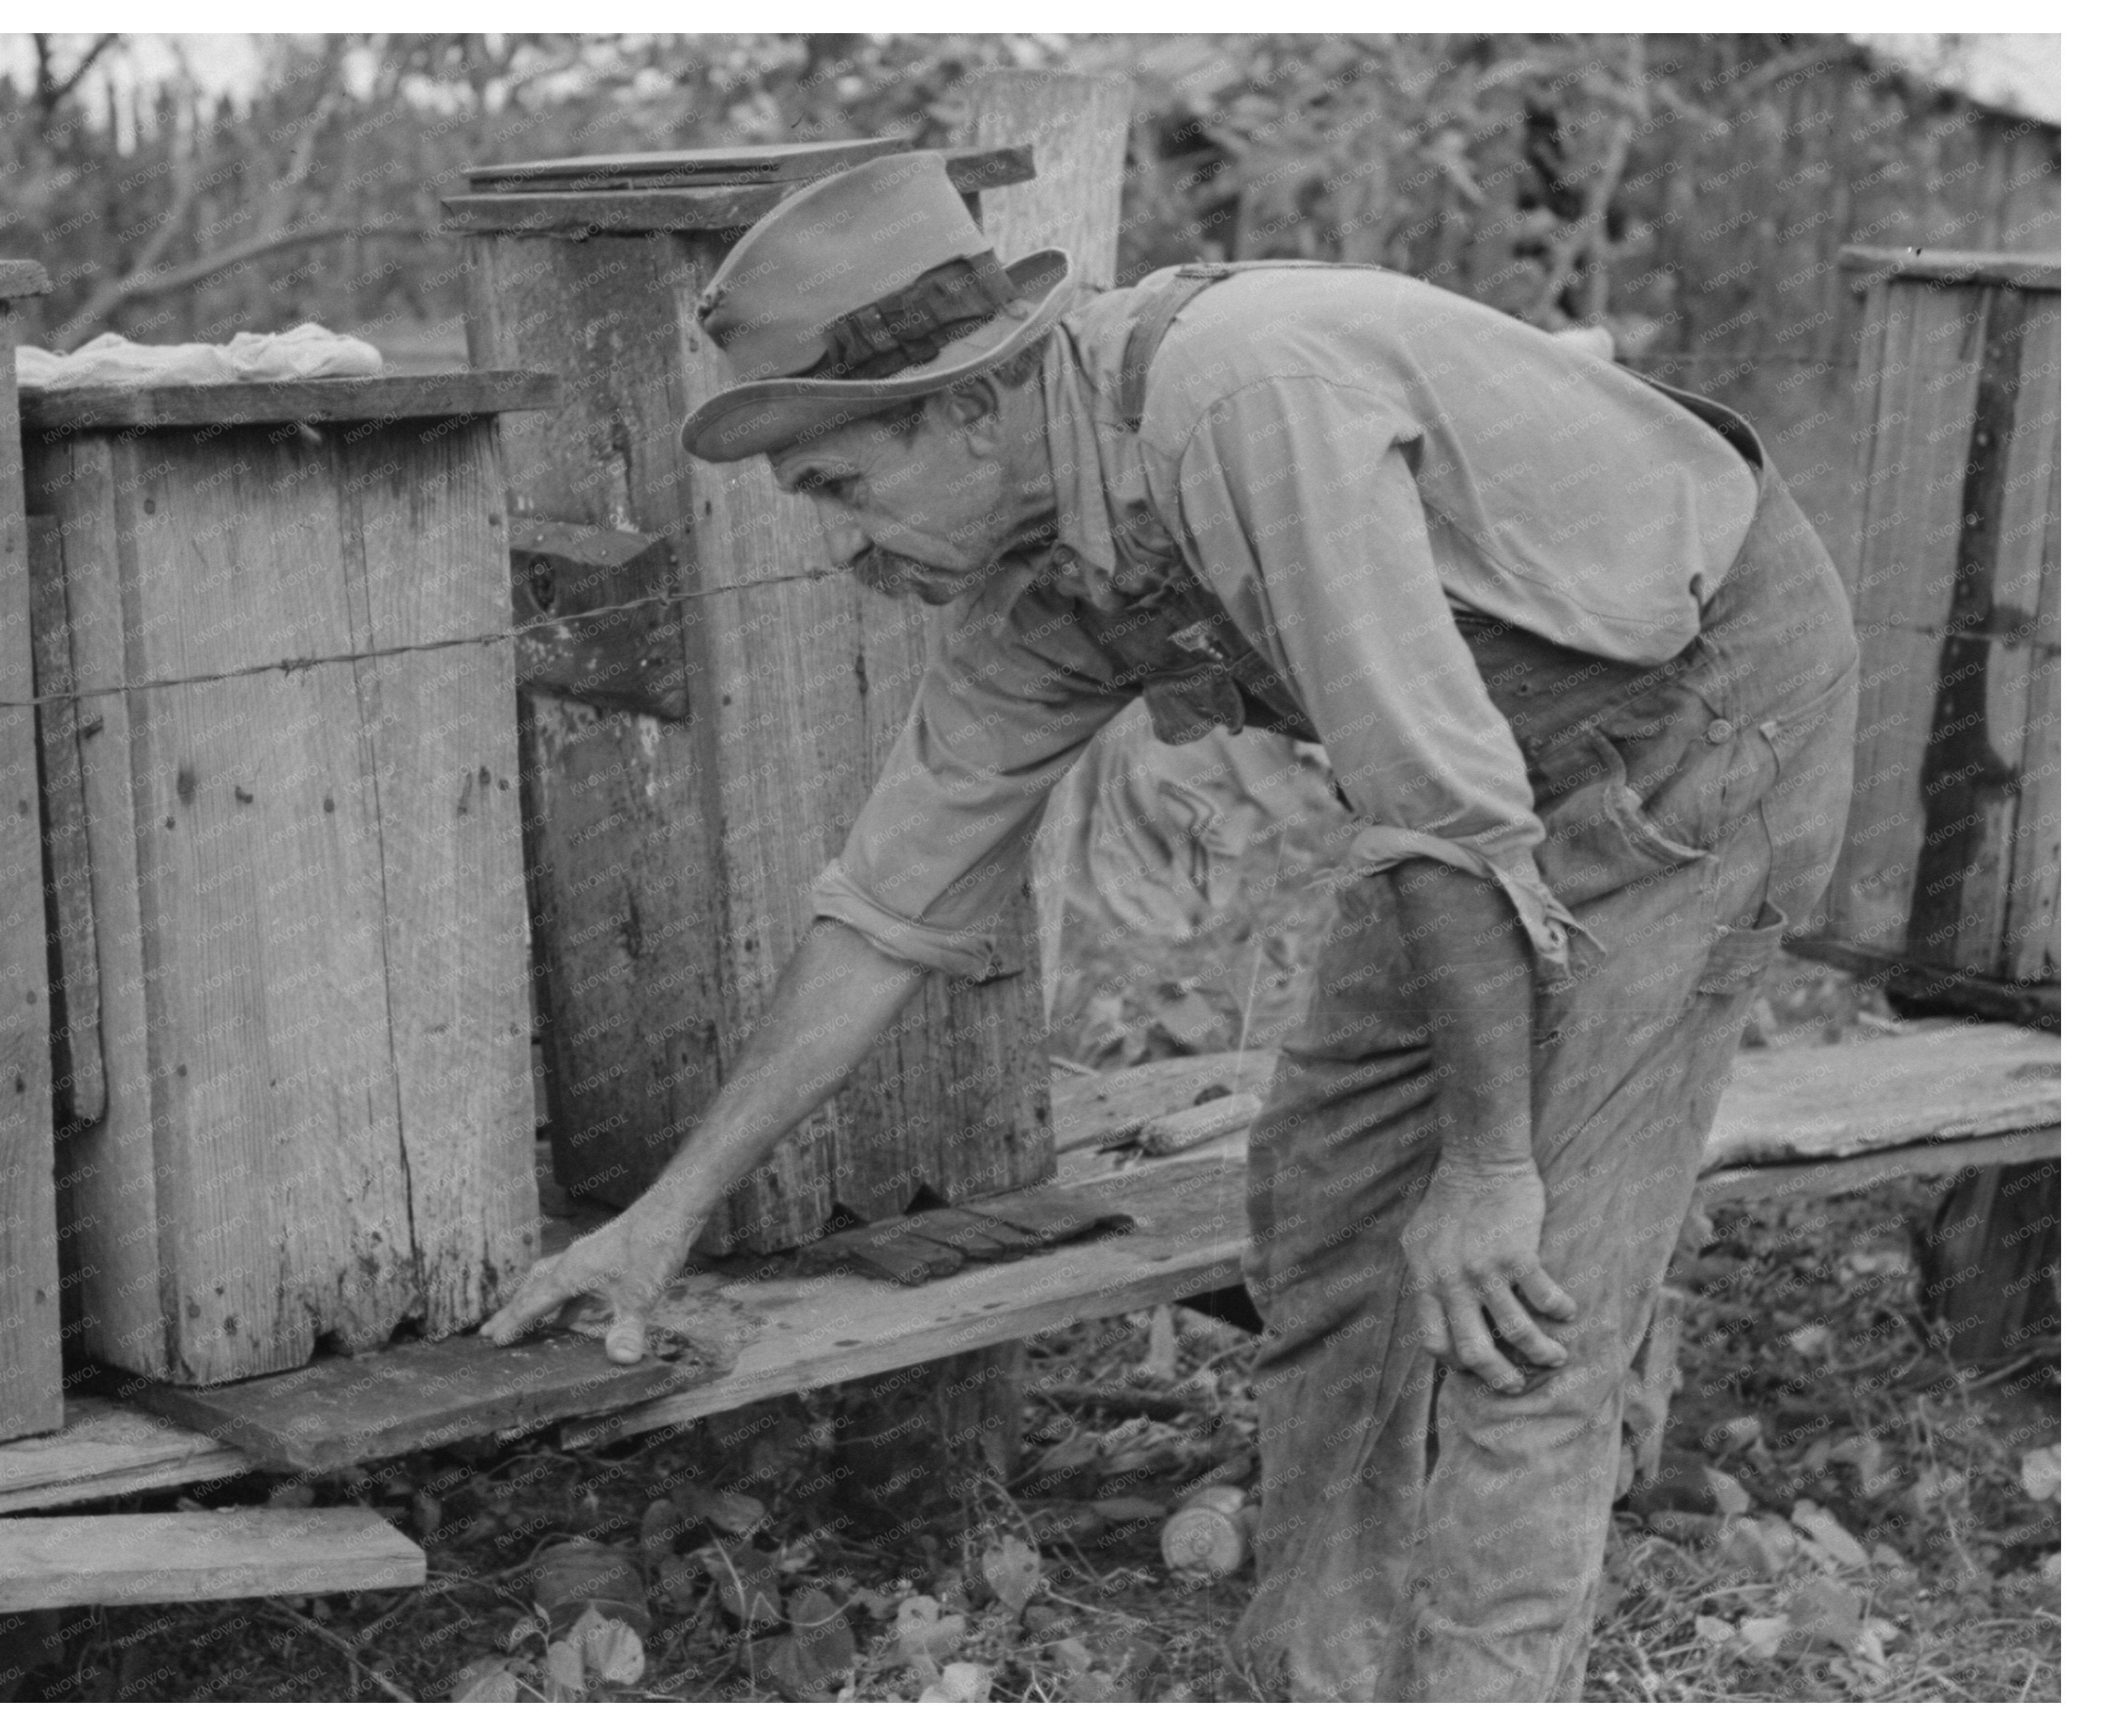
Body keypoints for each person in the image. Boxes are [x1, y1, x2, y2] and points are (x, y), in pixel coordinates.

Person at [480, 149, 1858, 1701]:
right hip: (1484, 778)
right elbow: (883, 911)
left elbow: (1435, 809)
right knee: (1331, 1196)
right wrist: (660, 1221)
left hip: (1697, 722)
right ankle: (1321, 1675)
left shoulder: (1239, 400)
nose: (841, 544)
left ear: (968, 402)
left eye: (843, 486)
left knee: (1527, 1296)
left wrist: (1487, 1165)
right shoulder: (1038, 581)